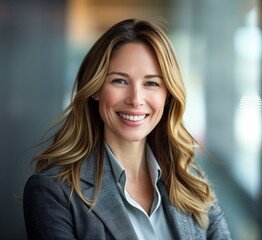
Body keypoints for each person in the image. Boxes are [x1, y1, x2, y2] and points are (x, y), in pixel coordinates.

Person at [23, 18, 231, 240]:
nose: (136, 99)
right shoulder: (53, 192)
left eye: (151, 83)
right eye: (120, 81)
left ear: (167, 95)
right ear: (95, 88)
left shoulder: (193, 184)